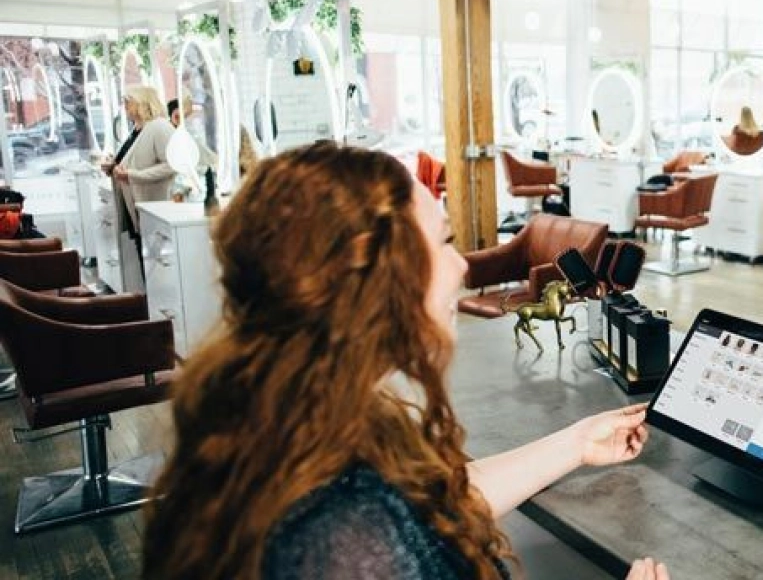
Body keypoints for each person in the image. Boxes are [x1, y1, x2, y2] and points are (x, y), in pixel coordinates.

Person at [142, 143, 669, 580]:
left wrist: (576, 443)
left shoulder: (283, 419)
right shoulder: (339, 535)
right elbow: (387, 527)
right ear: (376, 280)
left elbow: (430, 508)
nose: (461, 266)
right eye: (443, 242)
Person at [104, 85, 176, 244]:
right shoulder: (138, 129)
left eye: (128, 102)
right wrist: (113, 166)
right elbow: (130, 160)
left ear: (142, 102)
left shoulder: (159, 127)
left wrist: (132, 175)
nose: (125, 107)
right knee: (142, 252)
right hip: (134, 202)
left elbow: (171, 165)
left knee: (152, 257)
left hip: (153, 205)